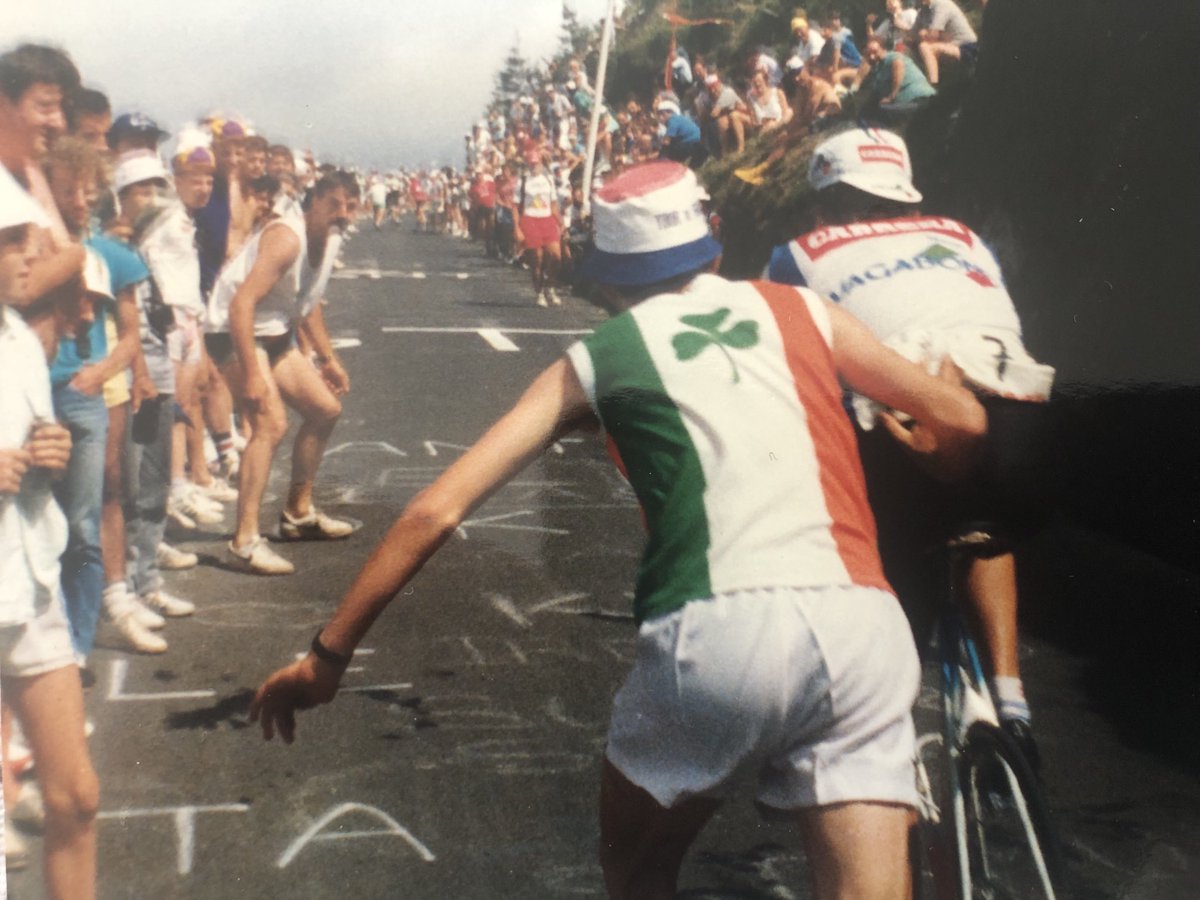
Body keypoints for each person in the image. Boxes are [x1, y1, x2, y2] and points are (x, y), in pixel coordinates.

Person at [251, 160, 987, 899]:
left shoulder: (597, 358)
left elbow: (433, 512)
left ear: (606, 279)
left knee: (637, 868)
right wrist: (940, 467)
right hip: (860, 622)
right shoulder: (805, 310)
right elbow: (961, 418)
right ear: (712, 249)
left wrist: (328, 655)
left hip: (718, 629)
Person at [765, 126, 1055, 765]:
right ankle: (1012, 704)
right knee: (986, 526)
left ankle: (878, 733)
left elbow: (787, 373)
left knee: (875, 552)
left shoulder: (799, 253)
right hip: (1019, 427)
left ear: (826, 203)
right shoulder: (963, 236)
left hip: (903, 434)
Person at [0, 162, 99, 900]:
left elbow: (38, 439)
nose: (29, 255)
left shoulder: (18, 339)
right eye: (10, 240)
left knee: (75, 797)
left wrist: (52, 447)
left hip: (27, 582)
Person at [204, 170, 357, 575]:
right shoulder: (287, 238)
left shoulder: (333, 240)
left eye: (350, 207)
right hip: (231, 331)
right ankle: (244, 541)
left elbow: (307, 303)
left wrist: (328, 358)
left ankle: (297, 513)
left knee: (325, 410)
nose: (342, 214)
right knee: (269, 425)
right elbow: (240, 305)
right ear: (313, 203)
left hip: (273, 332)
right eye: (334, 205)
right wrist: (252, 374)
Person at [514, 149, 563, 307]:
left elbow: (554, 205)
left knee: (556, 256)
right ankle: (539, 291)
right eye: (532, 163)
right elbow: (515, 207)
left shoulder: (548, 180)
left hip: (547, 219)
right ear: (528, 164)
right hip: (530, 219)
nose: (535, 165)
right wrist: (517, 228)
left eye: (537, 163)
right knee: (537, 258)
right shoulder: (522, 181)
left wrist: (561, 224)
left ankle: (551, 286)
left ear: (542, 164)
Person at [857, 36, 937, 122]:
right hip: (907, 106)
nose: (872, 57)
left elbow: (898, 65)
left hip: (921, 100)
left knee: (880, 112)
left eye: (875, 52)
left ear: (883, 49)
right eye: (868, 54)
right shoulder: (877, 72)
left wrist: (892, 96)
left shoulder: (892, 57)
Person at [912, 0, 978, 85]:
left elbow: (933, 36)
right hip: (947, 46)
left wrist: (923, 34)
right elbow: (911, 36)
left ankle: (933, 84)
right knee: (913, 48)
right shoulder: (923, 11)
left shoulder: (941, 4)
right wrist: (920, 34)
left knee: (924, 46)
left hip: (967, 47)